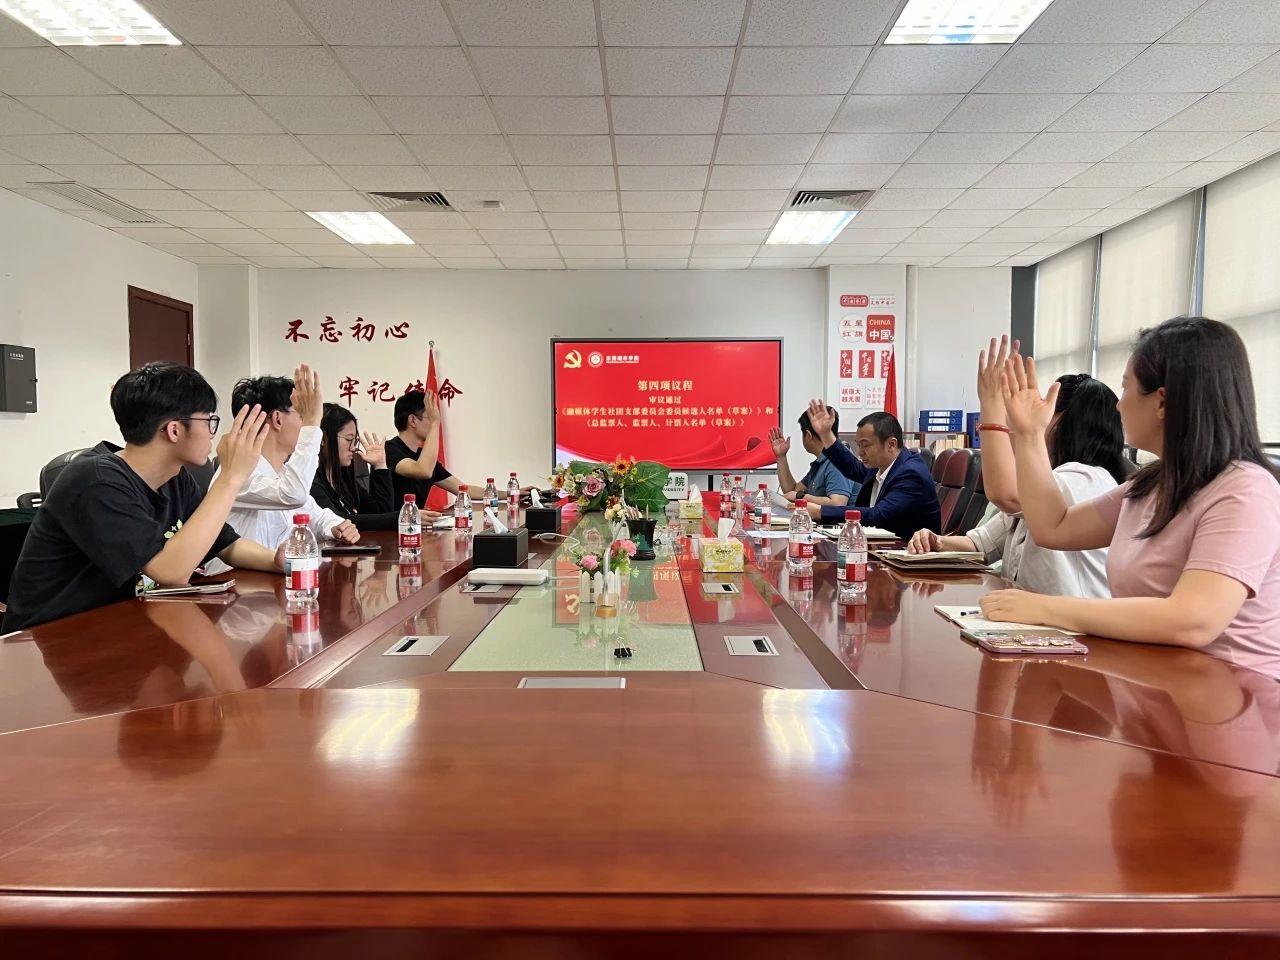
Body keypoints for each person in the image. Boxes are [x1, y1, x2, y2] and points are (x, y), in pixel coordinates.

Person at [981, 317, 1280, 679]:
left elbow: (1193, 620)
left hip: (1231, 692)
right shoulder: (1151, 485)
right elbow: (1052, 527)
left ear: (1162, 402)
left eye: (1125, 388)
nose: (1119, 406)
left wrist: (1044, 609)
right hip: (1151, 680)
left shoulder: (1245, 490)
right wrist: (1029, 433)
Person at [2, 362, 285, 632]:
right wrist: (230, 477)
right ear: (174, 430)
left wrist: (276, 561)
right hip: (48, 638)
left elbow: (226, 544)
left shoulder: (176, 479)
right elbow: (170, 572)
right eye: (208, 421)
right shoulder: (95, 481)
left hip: (121, 624)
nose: (213, 434)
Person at [908, 336, 1127, 598]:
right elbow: (981, 544)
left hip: (1069, 622)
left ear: (1066, 423)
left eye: (1043, 411)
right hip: (1029, 615)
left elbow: (1006, 495)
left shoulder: (1086, 478)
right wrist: (937, 542)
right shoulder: (1046, 480)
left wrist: (992, 404)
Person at [209, 366, 359, 568]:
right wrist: (312, 423)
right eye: (301, 416)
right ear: (278, 419)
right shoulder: (237, 470)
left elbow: (316, 515)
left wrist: (335, 526)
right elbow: (292, 495)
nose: (307, 424)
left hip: (273, 577)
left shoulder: (282, 471)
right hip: (236, 582)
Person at [801, 402, 941, 539]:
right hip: (881, 545)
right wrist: (826, 434)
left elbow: (879, 515)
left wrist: (820, 511)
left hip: (908, 550)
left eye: (865, 445)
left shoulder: (911, 473)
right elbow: (851, 467)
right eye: (858, 445)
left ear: (891, 444)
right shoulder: (879, 466)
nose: (860, 452)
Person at [311, 403, 439, 531]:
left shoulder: (343, 477)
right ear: (323, 439)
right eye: (349, 440)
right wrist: (403, 517)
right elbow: (338, 520)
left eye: (355, 441)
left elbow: (381, 511)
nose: (353, 448)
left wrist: (380, 465)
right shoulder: (311, 479)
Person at [386, 389, 478, 506]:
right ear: (413, 420)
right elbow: (423, 470)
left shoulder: (423, 456)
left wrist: (498, 493)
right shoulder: (388, 450)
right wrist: (435, 423)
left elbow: (463, 490)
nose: (436, 422)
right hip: (396, 518)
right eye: (430, 417)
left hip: (417, 518)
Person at [768, 406, 856, 508]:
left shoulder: (838, 460)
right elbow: (792, 492)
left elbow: (837, 503)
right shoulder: (822, 462)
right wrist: (781, 457)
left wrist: (802, 497)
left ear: (808, 435)